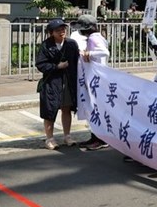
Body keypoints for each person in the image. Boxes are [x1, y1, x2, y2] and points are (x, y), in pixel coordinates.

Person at [35, 19, 79, 150]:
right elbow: (40, 64)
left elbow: (77, 61)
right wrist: (56, 66)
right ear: (51, 33)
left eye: (63, 29)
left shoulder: (71, 44)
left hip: (68, 81)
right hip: (52, 82)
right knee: (50, 110)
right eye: (58, 30)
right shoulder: (46, 45)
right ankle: (50, 138)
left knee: (67, 108)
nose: (62, 32)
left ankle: (67, 136)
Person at [74, 15, 111, 151]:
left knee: (96, 109)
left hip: (97, 79)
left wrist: (89, 53)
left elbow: (104, 52)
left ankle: (100, 139)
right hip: (96, 78)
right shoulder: (96, 37)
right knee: (93, 108)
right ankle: (95, 136)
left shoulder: (94, 38)